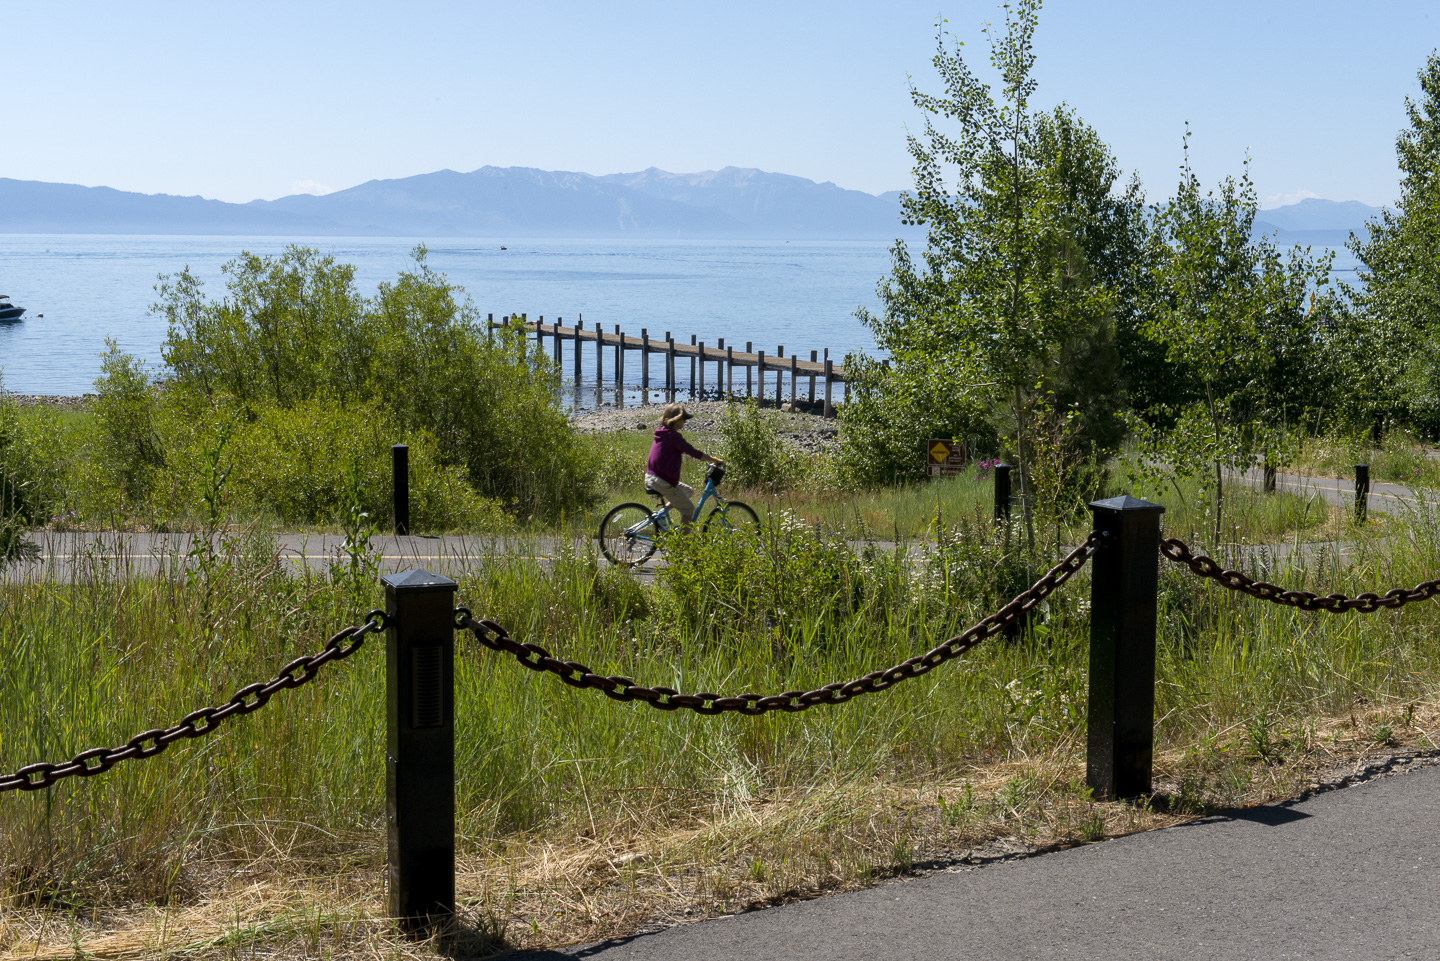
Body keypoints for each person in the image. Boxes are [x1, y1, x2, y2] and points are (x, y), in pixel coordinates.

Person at [645, 403, 722, 525]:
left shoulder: (662, 433)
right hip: (663, 481)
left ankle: (661, 514)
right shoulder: (673, 437)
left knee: (688, 491)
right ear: (676, 420)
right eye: (683, 419)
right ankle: (682, 544)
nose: (685, 422)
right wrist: (712, 459)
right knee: (688, 510)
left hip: (652, 476)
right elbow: (692, 451)